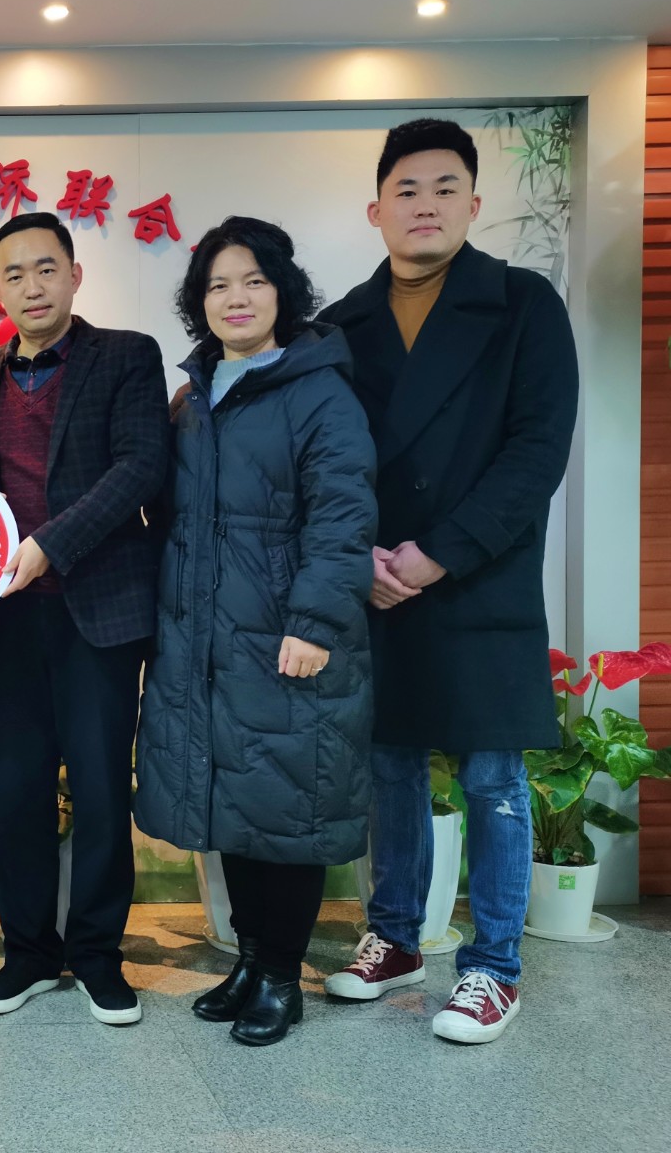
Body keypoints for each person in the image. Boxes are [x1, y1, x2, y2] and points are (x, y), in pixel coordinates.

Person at [319, 118, 579, 1044]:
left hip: (477, 576)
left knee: (492, 775)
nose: (424, 205)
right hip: (377, 579)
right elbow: (322, 457)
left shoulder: (522, 303)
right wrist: (357, 554)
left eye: (443, 188)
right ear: (376, 210)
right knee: (389, 767)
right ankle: (394, 938)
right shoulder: (340, 323)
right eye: (406, 190)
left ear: (473, 203)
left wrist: (441, 551)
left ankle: (494, 967)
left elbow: (537, 449)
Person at [134, 216, 377, 1046]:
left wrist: (314, 622)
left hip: (283, 638)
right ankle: (249, 959)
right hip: (206, 639)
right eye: (217, 285)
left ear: (284, 291)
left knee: (285, 810)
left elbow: (343, 516)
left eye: (253, 281)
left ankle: (281, 975)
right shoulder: (194, 396)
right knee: (232, 803)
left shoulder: (318, 390)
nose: (235, 298)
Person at [0, 212, 169, 1026]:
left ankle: (100, 957)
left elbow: (141, 466)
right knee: (21, 791)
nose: (31, 286)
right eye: (14, 273)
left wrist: (49, 544)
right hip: (10, 619)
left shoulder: (127, 355)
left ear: (75, 276)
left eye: (46, 268)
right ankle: (29, 955)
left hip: (99, 613)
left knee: (103, 787)